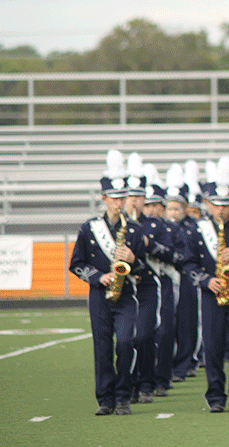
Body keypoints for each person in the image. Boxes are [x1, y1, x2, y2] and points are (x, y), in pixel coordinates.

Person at [69, 150, 146, 416]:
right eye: (113, 198)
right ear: (104, 198)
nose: (118, 203)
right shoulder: (89, 229)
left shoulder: (134, 229)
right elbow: (76, 263)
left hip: (126, 295)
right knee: (102, 347)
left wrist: (133, 259)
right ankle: (105, 399)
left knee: (125, 343)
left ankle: (124, 395)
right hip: (100, 296)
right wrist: (98, 277)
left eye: (122, 198)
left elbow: (144, 268)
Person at [182, 156, 229, 413]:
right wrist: (205, 280)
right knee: (212, 346)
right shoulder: (196, 230)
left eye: (225, 204)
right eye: (216, 204)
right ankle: (215, 395)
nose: (221, 210)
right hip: (211, 294)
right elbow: (188, 264)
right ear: (207, 204)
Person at [123, 152, 170, 405]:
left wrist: (148, 244)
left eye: (139, 196)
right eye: (131, 196)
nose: (135, 201)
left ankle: (146, 383)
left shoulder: (155, 225)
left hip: (148, 284)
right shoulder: (112, 225)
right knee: (124, 338)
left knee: (144, 335)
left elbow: (172, 253)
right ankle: (126, 386)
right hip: (123, 285)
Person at [143, 163, 187, 397]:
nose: (150, 209)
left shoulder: (171, 229)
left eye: (155, 205)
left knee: (166, 330)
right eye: (146, 204)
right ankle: (144, 378)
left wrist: (155, 248)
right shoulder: (135, 226)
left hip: (166, 281)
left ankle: (163, 376)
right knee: (144, 333)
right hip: (142, 281)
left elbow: (180, 256)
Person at [172, 159, 203, 382]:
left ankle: (185, 363)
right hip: (166, 279)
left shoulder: (194, 227)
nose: (173, 212)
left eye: (177, 208)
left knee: (187, 323)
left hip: (186, 279)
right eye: (170, 208)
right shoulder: (161, 226)